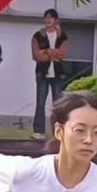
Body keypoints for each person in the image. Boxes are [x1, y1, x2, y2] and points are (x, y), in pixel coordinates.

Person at [31, 9, 68, 140]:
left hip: (57, 74)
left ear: (56, 20)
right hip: (42, 73)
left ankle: (58, 131)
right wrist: (51, 54)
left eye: (51, 18)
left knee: (58, 104)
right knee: (40, 102)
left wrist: (47, 52)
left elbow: (63, 53)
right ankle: (38, 131)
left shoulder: (62, 36)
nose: (48, 20)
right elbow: (36, 56)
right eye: (46, 17)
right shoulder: (38, 36)